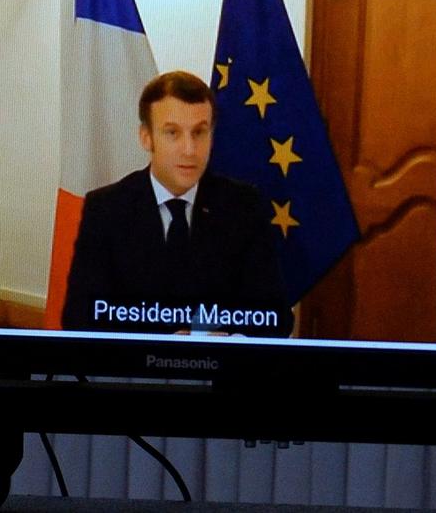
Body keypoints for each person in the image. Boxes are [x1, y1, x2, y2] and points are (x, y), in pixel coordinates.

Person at [60, 71, 290, 336]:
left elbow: (277, 317)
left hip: (221, 369)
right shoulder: (106, 209)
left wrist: (230, 341)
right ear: (146, 137)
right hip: (138, 371)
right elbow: (79, 318)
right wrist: (159, 344)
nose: (190, 149)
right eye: (173, 133)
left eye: (199, 133)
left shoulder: (244, 206)